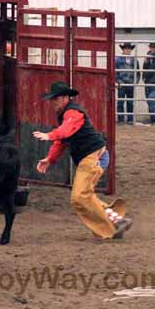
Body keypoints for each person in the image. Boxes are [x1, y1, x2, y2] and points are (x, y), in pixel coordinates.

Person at [33, 82, 133, 239]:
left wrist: (49, 135)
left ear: (66, 98)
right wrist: (50, 159)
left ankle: (113, 226)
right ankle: (117, 219)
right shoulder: (68, 114)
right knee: (84, 196)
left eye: (56, 99)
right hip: (93, 156)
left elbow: (65, 132)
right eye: (52, 99)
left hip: (92, 156)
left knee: (79, 196)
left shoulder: (73, 113)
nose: (53, 103)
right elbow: (62, 139)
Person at [115, 42, 140, 124]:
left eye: (129, 48)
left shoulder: (134, 60)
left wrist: (135, 82)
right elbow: (115, 73)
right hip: (121, 84)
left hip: (130, 84)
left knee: (130, 102)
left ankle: (130, 119)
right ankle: (121, 119)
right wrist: (118, 81)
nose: (127, 50)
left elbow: (138, 73)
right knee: (121, 102)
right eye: (126, 48)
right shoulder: (117, 59)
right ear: (123, 49)